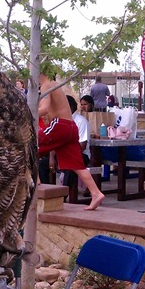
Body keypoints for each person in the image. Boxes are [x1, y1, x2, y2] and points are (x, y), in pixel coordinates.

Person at [38, 73, 104, 210]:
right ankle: (96, 193)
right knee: (77, 165)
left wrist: (24, 113)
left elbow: (44, 109)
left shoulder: (46, 86)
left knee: (28, 146)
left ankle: (35, 180)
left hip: (60, 125)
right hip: (70, 126)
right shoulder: (55, 85)